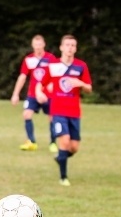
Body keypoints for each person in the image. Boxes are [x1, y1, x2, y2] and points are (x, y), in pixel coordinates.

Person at [37, 34, 92, 186]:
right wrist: (39, 93)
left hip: (74, 113)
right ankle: (63, 177)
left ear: (76, 48)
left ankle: (60, 157)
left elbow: (89, 88)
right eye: (67, 45)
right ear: (61, 47)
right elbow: (40, 84)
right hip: (58, 111)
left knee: (74, 148)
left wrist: (79, 83)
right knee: (65, 141)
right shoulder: (53, 67)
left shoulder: (81, 66)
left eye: (73, 45)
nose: (70, 48)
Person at [10, 35, 57, 152]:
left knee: (53, 118)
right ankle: (31, 142)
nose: (37, 47)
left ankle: (53, 143)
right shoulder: (29, 60)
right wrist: (15, 94)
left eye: (39, 44)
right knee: (26, 114)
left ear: (44, 45)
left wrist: (52, 87)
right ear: (32, 46)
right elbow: (22, 77)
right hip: (33, 95)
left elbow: (57, 76)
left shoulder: (51, 58)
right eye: (35, 45)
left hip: (48, 95)